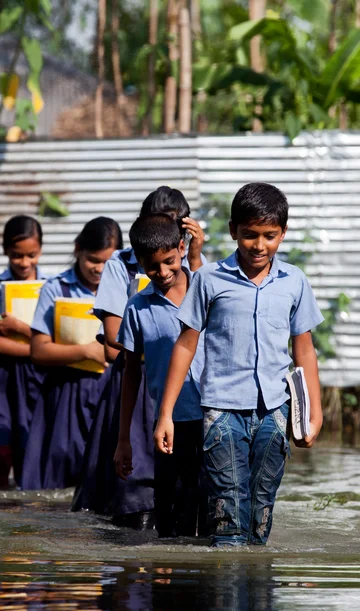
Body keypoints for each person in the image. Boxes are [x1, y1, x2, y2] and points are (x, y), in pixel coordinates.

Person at [155, 182, 324, 547]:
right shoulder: (209, 279)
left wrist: (315, 414)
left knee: (261, 510)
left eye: (269, 236)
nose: (259, 245)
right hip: (221, 410)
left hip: (275, 412)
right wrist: (166, 413)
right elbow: (185, 346)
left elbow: (305, 351)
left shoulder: (294, 282)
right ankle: (227, 592)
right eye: (249, 235)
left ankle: (257, 597)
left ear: (283, 233)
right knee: (227, 508)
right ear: (234, 231)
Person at [72, 186, 204, 528]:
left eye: (174, 228)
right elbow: (118, 344)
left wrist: (195, 257)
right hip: (148, 379)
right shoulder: (126, 273)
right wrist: (123, 440)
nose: (161, 269)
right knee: (143, 492)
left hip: (200, 405)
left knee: (202, 497)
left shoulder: (201, 276)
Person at [113, 215, 206, 538]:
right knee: (170, 520)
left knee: (213, 515)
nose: (164, 273)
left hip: (217, 419)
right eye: (154, 267)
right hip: (170, 426)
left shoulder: (207, 291)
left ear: (182, 248)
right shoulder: (138, 308)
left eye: (170, 262)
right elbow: (131, 374)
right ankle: (170, 586)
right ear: (139, 263)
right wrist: (124, 439)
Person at [20, 217, 123, 490]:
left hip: (113, 390)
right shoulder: (56, 289)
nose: (99, 269)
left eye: (107, 262)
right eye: (93, 260)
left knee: (106, 470)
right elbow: (38, 350)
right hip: (67, 392)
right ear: (78, 249)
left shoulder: (128, 288)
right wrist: (84, 350)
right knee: (60, 469)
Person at [0, 215, 47, 489]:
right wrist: (40, 349)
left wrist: (20, 329)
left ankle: (24, 520)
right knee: (0, 452)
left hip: (36, 379)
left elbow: (58, 338)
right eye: (17, 256)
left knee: (29, 453)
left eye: (31, 255)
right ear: (5, 251)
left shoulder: (50, 286)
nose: (25, 263)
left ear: (40, 251)